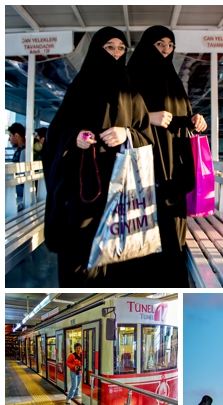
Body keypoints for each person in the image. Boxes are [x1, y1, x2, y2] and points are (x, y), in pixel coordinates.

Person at [42, 28, 153, 286]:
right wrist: (76, 139)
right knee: (81, 254)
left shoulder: (132, 92)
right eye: (109, 47)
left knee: (120, 258)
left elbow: (146, 136)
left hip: (122, 189)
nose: (115, 53)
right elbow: (56, 135)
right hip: (85, 185)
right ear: (97, 50)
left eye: (121, 48)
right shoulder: (80, 87)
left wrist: (126, 134)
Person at [127, 26, 207, 286]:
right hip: (147, 165)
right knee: (149, 229)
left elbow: (178, 119)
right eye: (159, 43)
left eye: (170, 45)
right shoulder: (131, 76)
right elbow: (114, 117)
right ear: (147, 45)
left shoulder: (173, 80)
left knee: (174, 232)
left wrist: (195, 119)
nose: (165, 49)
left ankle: (174, 283)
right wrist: (147, 118)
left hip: (176, 165)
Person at [8, 122, 27, 211]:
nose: (9, 139)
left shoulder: (24, 151)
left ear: (16, 135)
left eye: (10, 135)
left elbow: (22, 175)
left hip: (22, 187)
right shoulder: (24, 149)